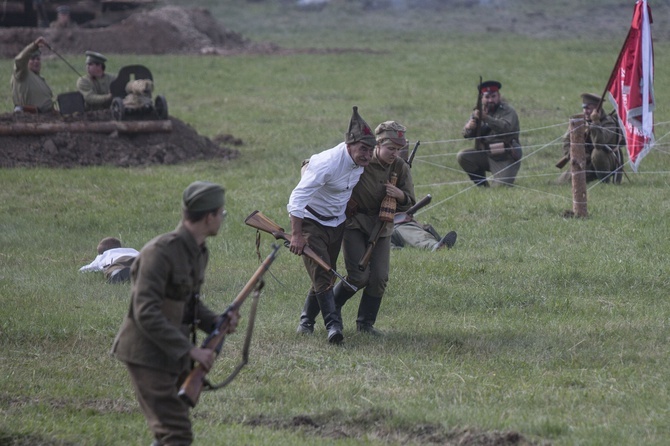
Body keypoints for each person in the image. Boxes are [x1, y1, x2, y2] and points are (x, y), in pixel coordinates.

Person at [111, 181, 238, 446]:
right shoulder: (160, 253)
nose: (222, 220)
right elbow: (145, 312)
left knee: (169, 430)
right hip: (147, 354)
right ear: (208, 216)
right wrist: (191, 351)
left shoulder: (198, 252)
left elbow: (188, 303)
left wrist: (216, 322)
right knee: (176, 433)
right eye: (221, 214)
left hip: (172, 353)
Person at [288, 106, 377, 344]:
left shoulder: (360, 163)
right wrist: (296, 235)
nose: (367, 155)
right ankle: (334, 327)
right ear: (349, 144)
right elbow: (296, 199)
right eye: (363, 149)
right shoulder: (326, 163)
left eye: (371, 150)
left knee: (324, 273)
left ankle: (306, 321)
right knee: (323, 274)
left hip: (337, 224)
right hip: (311, 222)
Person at [331, 120, 416, 335]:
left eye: (399, 149)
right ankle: (330, 307)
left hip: (382, 226)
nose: (395, 153)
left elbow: (411, 202)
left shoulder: (400, 167)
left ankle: (365, 324)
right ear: (377, 145)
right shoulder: (360, 159)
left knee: (379, 278)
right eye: (390, 148)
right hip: (354, 223)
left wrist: (400, 196)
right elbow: (324, 167)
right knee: (358, 276)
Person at [458, 80, 521, 187]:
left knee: (500, 189)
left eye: (493, 96)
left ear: (499, 96)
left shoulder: (508, 111)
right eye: (487, 97)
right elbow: (467, 135)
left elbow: (506, 128)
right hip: (486, 154)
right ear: (482, 98)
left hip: (505, 156)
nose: (490, 100)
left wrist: (486, 118)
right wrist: (469, 128)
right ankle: (482, 186)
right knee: (463, 156)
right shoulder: (478, 112)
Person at [557, 93, 623, 184]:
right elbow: (567, 141)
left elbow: (598, 144)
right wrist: (576, 156)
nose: (585, 111)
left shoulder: (608, 123)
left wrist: (595, 122)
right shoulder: (579, 121)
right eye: (584, 108)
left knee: (597, 153)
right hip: (585, 161)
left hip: (606, 160)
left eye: (589, 108)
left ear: (597, 109)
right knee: (562, 183)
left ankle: (605, 182)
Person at [11, 37, 54, 114]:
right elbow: (19, 60)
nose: (36, 61)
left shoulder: (40, 79)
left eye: (38, 59)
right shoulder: (22, 73)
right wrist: (34, 45)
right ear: (27, 61)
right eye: (32, 59)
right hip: (29, 117)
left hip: (46, 117)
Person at [391, 212, 457, 252]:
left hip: (397, 223)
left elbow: (409, 201)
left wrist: (402, 196)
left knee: (412, 232)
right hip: (381, 230)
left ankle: (436, 246)